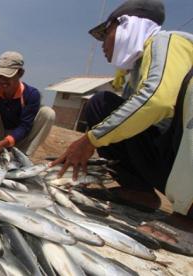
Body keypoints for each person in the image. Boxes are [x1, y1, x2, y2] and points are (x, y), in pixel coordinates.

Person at [51, 0, 193, 255]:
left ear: (127, 25)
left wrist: (89, 140)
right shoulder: (136, 70)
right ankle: (139, 191)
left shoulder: (168, 42)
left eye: (105, 34)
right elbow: (137, 116)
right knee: (102, 105)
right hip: (177, 160)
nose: (102, 44)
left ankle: (190, 219)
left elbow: (157, 100)